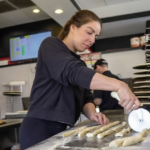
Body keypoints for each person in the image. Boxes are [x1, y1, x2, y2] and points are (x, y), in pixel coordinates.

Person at [19, 10, 141, 149]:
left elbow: (86, 99)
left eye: (95, 36)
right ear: (73, 27)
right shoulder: (50, 45)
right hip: (39, 129)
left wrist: (93, 113)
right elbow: (71, 71)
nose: (92, 40)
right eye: (89, 32)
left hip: (63, 131)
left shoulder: (80, 64)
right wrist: (120, 85)